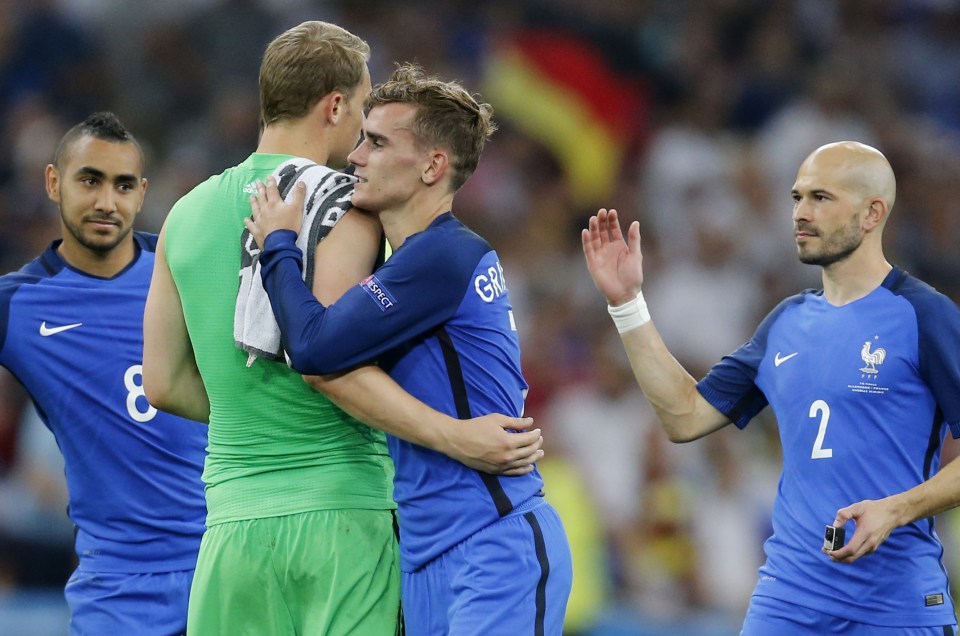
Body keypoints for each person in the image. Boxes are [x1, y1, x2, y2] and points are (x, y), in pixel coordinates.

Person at [142, 22, 543, 636]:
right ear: (335, 106)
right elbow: (329, 358)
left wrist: (243, 411)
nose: (361, 143)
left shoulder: (184, 213)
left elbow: (163, 384)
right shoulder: (355, 205)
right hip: (344, 518)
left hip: (231, 526)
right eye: (361, 112)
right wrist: (453, 435)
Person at [581, 140, 960, 635]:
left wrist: (896, 508)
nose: (801, 213)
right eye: (797, 197)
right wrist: (628, 304)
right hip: (787, 600)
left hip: (894, 606)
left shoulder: (925, 317)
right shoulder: (785, 323)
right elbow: (685, 415)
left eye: (821, 198)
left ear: (872, 214)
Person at [247, 62, 573, 636]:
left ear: (432, 165)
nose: (355, 156)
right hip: (427, 554)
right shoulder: (416, 265)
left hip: (492, 542)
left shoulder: (440, 258)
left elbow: (314, 349)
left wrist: (277, 245)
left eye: (375, 143)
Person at [0, 111, 207, 635]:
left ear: (141, 193)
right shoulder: (18, 307)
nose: (105, 202)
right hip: (120, 593)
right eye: (89, 180)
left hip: (227, 569)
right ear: (53, 182)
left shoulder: (189, 265)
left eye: (121, 185)